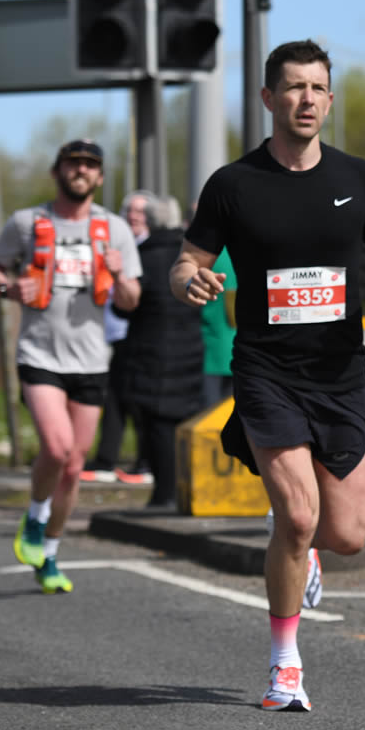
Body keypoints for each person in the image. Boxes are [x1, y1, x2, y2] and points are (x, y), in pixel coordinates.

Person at [171, 39, 365, 712]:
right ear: (268, 99)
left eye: (317, 88)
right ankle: (285, 667)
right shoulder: (233, 185)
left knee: (347, 536)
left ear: (329, 100)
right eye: (294, 87)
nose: (306, 99)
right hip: (266, 371)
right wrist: (190, 280)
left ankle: (302, 550)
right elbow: (187, 260)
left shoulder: (357, 178)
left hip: (340, 375)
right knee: (299, 514)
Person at [0, 138, 142, 594]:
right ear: (57, 172)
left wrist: (118, 275)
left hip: (92, 359)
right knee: (56, 448)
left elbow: (132, 300)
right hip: (39, 354)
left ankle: (50, 553)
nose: (81, 170)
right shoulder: (27, 223)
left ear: (100, 177)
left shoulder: (114, 230)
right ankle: (34, 519)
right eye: (73, 163)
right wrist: (9, 290)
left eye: (90, 165)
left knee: (74, 466)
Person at [111, 191, 202, 510]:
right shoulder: (191, 257)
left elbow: (124, 307)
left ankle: (164, 492)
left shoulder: (142, 259)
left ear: (148, 222)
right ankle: (186, 489)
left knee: (156, 425)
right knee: (184, 422)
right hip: (191, 348)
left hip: (149, 351)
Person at [82, 190, 158, 485]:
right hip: (110, 330)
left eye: (140, 212)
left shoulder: (149, 250)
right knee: (113, 397)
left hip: (136, 332)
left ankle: (144, 460)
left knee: (136, 399)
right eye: (130, 211)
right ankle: (107, 458)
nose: (134, 216)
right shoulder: (115, 245)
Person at [199, 243, 237, 408]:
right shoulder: (245, 253)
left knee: (206, 422)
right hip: (237, 351)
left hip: (210, 352)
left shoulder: (205, 256)